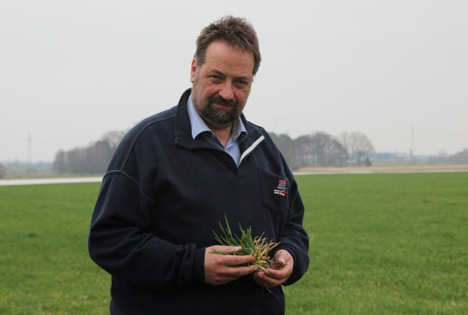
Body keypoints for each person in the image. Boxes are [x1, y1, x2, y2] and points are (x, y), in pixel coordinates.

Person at [88, 16, 309, 315]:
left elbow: (293, 226)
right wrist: (193, 266)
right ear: (194, 70)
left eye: (240, 82)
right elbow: (108, 241)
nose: (227, 93)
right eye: (217, 77)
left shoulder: (264, 147)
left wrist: (290, 257)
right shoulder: (147, 143)